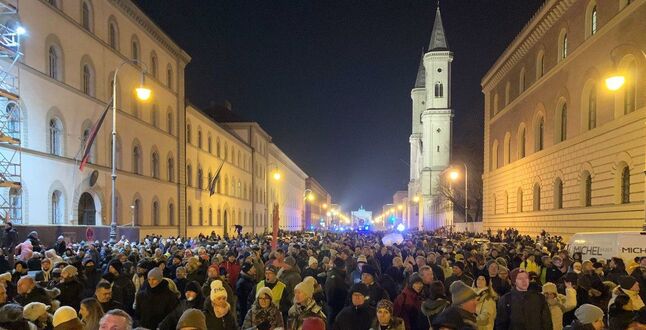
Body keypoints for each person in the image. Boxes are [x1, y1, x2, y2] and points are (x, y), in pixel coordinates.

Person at [325, 257, 349, 328]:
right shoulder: (334, 277)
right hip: (336, 307)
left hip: (337, 306)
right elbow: (330, 294)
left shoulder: (338, 275)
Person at [236, 262, 257, 326]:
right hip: (245, 311)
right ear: (248, 270)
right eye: (253, 268)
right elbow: (242, 301)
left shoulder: (249, 279)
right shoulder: (242, 283)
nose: (255, 269)